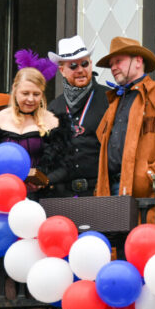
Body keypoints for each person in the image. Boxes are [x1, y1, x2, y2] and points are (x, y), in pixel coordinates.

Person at [94, 37, 155, 223]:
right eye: (111, 64)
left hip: (145, 196)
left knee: (142, 247)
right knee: (115, 249)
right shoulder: (114, 102)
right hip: (111, 190)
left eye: (118, 61)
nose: (113, 67)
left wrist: (150, 176)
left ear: (138, 61)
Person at [0, 66, 72, 199]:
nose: (31, 99)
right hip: (3, 196)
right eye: (25, 93)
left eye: (36, 94)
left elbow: (65, 167)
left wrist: (44, 181)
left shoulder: (54, 122)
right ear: (15, 91)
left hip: (42, 199)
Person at [47, 35, 109, 197]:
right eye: (73, 66)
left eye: (85, 63)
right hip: (62, 194)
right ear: (62, 70)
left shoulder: (110, 98)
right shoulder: (54, 108)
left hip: (101, 192)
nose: (80, 70)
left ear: (91, 64)